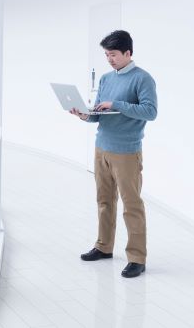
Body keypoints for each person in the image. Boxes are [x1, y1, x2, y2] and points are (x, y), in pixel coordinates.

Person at [69, 30, 157, 278]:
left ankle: (137, 258)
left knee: (131, 205)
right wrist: (84, 115)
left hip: (127, 152)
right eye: (107, 55)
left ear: (128, 53)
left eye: (114, 54)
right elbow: (98, 114)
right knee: (104, 201)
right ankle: (103, 246)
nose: (109, 59)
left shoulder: (143, 79)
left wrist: (116, 104)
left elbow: (150, 111)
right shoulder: (107, 79)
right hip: (102, 147)